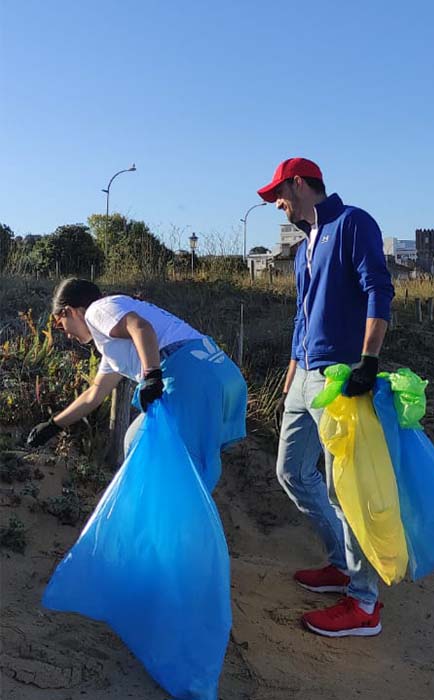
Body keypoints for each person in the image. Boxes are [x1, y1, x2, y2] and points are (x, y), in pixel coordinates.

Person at [258, 157, 394, 637]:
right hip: (305, 376)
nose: (277, 204)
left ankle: (363, 603)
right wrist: (291, 372)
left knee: (345, 487)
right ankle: (342, 563)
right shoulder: (302, 249)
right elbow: (302, 313)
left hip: (341, 376)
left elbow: (378, 289)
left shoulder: (352, 223)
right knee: (291, 471)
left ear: (300, 183)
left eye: (279, 193)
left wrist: (368, 360)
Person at [27, 279, 247, 493]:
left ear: (69, 311)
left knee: (175, 472)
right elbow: (94, 395)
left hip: (191, 373)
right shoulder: (112, 344)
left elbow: (140, 327)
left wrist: (152, 375)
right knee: (138, 442)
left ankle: (175, 524)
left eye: (59, 324)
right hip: (220, 371)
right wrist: (53, 425)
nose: (65, 333)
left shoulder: (97, 310)